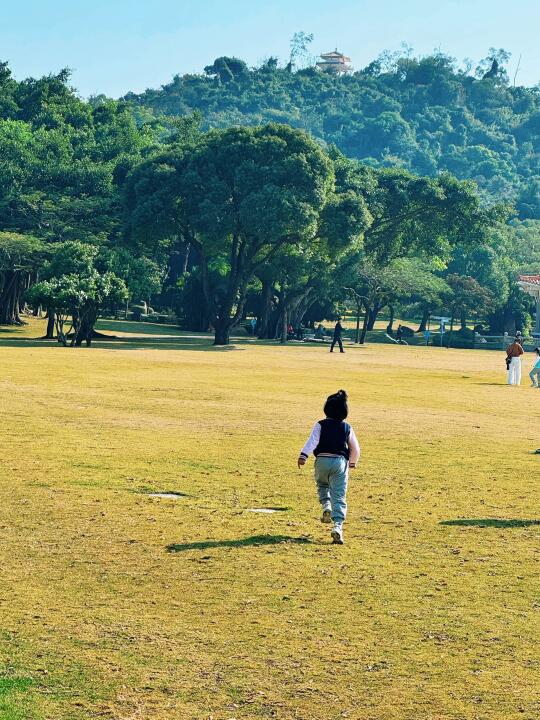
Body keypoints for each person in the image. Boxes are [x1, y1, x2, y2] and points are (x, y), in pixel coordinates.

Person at [297, 390, 360, 545]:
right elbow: (355, 447)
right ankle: (338, 527)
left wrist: (304, 455)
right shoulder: (347, 427)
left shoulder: (320, 425)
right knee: (339, 495)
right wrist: (352, 462)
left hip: (322, 461)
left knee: (322, 485)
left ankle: (326, 505)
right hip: (340, 463)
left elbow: (312, 441)